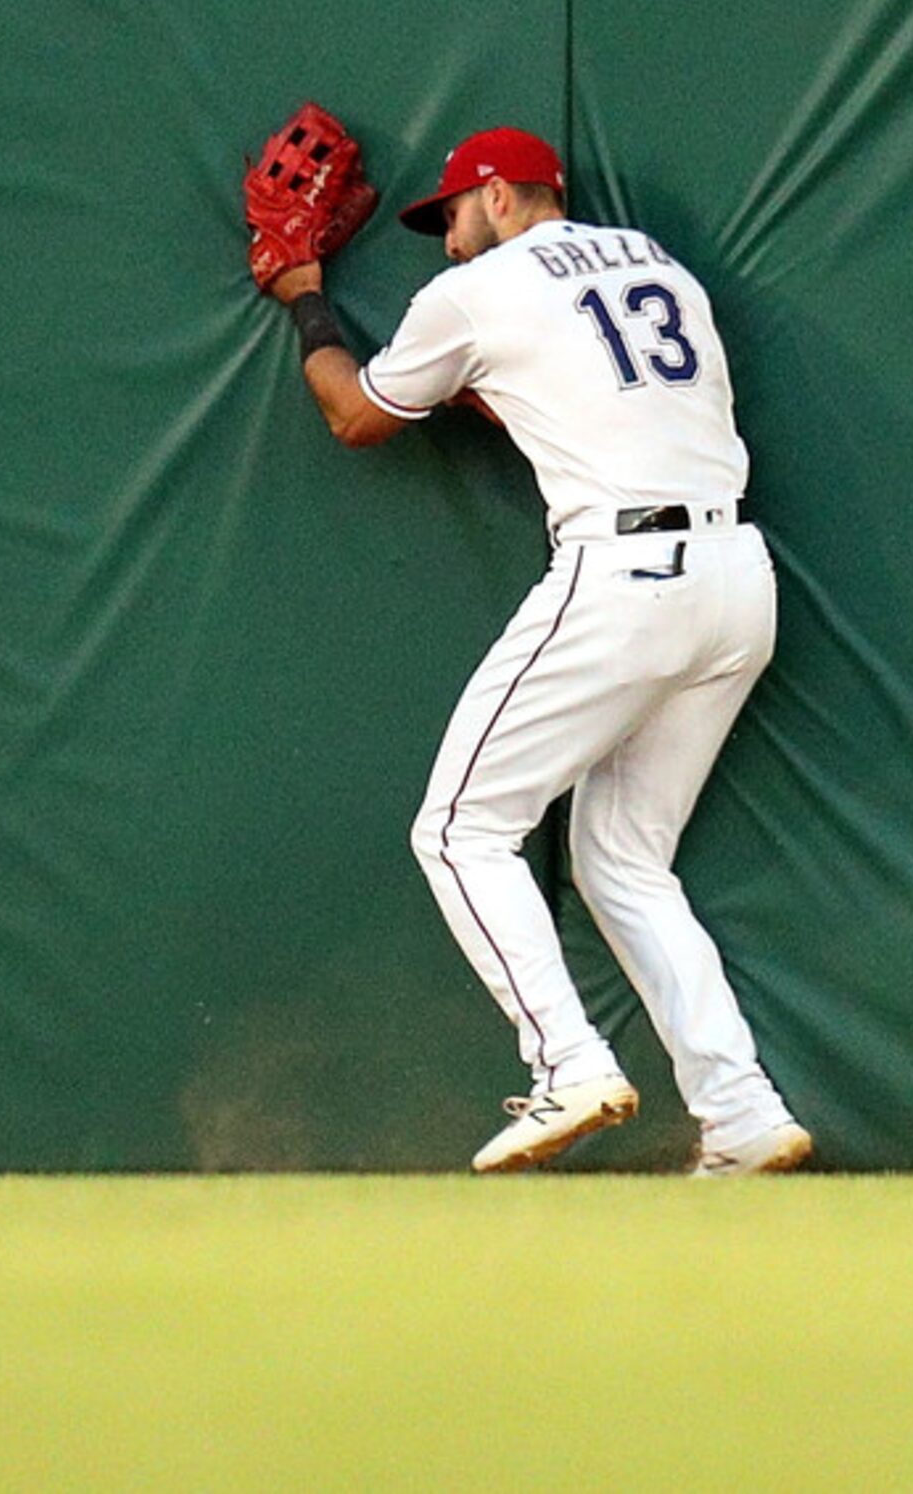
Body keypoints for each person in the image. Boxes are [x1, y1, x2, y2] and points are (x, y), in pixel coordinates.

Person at [267, 126, 812, 1176]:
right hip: (737, 581)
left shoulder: (479, 291)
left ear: (504, 199)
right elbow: (565, 386)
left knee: (460, 829)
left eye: (454, 218)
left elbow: (353, 414)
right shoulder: (658, 265)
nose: (448, 245)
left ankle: (568, 1063)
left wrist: (302, 293)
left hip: (626, 579)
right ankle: (741, 1115)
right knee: (622, 860)